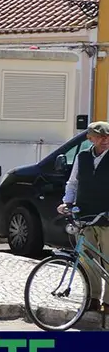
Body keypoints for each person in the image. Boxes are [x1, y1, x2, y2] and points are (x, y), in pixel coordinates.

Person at [59, 121, 109, 313]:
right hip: (86, 216)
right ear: (90, 138)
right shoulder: (83, 157)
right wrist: (67, 203)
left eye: (107, 137)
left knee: (107, 260)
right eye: (100, 137)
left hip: (106, 217)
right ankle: (93, 298)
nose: (104, 140)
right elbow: (72, 183)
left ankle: (108, 302)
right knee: (89, 261)